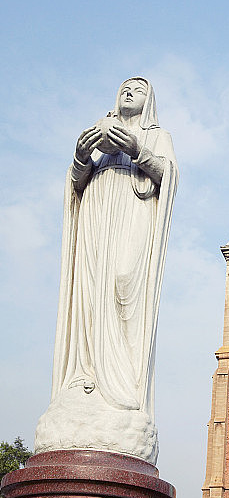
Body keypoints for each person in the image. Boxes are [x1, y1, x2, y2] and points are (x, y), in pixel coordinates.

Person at [35, 78, 178, 463]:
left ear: (150, 102)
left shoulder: (158, 136)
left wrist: (137, 150)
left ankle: (122, 384)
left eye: (139, 89)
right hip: (97, 221)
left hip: (131, 218)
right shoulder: (99, 133)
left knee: (122, 284)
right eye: (125, 88)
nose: (129, 93)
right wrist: (82, 158)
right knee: (92, 290)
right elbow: (76, 183)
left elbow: (169, 176)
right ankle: (86, 378)